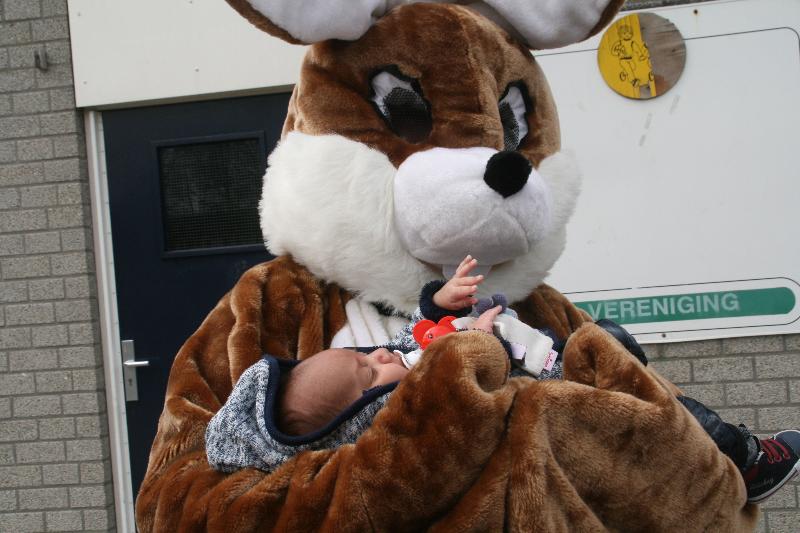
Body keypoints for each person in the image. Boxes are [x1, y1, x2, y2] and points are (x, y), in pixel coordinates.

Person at [206, 256, 800, 504]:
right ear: (357, 414)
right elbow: (463, 401)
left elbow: (416, 336)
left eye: (366, 357)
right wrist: (478, 346)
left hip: (557, 357)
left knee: (622, 348)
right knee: (653, 404)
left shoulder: (391, 366)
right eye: (368, 371)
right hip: (558, 389)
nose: (379, 358)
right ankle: (744, 458)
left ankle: (716, 448)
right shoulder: (407, 409)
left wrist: (439, 304)